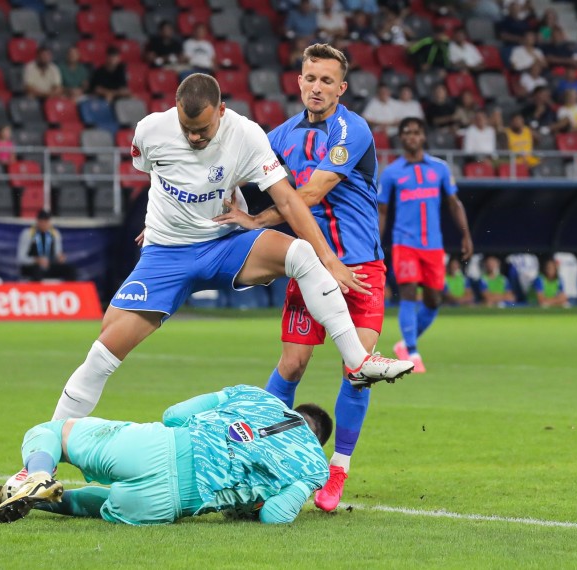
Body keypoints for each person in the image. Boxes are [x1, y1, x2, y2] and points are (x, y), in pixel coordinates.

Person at [51, 74, 412, 429]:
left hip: (224, 245)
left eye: (203, 130)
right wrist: (163, 221)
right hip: (167, 253)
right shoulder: (149, 131)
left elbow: (288, 199)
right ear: (175, 110)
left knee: (301, 253)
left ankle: (357, 361)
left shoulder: (247, 134)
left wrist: (330, 260)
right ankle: (39, 462)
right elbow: (158, 176)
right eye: (186, 128)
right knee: (102, 354)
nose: (193, 137)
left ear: (221, 111)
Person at [212, 45, 413, 512]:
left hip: (360, 268)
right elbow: (231, 174)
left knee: (356, 370)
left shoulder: (352, 129)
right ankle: (256, 451)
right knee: (293, 365)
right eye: (309, 78)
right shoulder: (278, 136)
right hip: (308, 267)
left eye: (326, 80)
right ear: (298, 82)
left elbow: (313, 191)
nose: (316, 87)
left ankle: (336, 472)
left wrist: (256, 220)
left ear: (341, 88)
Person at [0, 385, 332, 526]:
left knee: (52, 432)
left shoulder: (258, 396)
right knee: (105, 505)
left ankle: (37, 476)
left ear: (291, 409)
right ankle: (40, 500)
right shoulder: (315, 465)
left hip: (159, 447)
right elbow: (274, 515)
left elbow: (173, 414)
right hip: (171, 505)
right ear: (319, 441)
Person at [378, 117, 474, 373]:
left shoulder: (439, 168)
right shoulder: (391, 173)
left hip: (433, 245)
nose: (412, 136)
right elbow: (383, 211)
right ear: (401, 138)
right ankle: (412, 351)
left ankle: (405, 343)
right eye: (407, 132)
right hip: (404, 242)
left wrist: (466, 235)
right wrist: (376, 243)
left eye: (416, 132)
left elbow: (454, 203)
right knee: (409, 293)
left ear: (423, 137)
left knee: (433, 300)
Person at [17, 209, 77, 281]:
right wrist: (36, 260)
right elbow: (21, 258)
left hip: (48, 266)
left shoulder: (55, 234)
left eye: (46, 221)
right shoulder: (28, 233)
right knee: (37, 271)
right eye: (42, 221)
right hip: (32, 267)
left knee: (70, 270)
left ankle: (69, 291)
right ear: (38, 221)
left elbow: (58, 253)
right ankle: (37, 291)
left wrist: (60, 258)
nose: (44, 224)